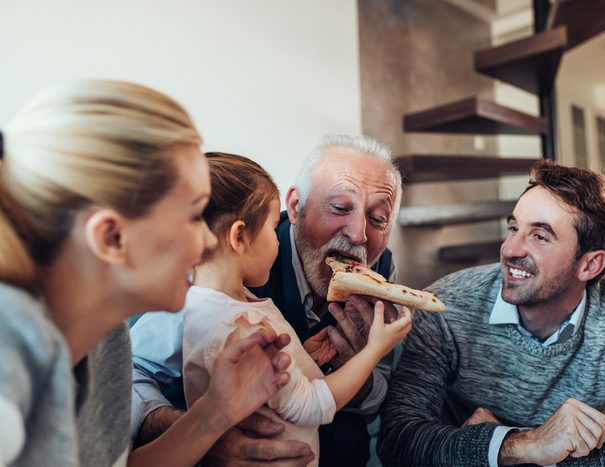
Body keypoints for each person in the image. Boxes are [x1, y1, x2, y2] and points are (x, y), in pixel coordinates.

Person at [0, 80, 293, 467]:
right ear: (111, 236)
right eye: (193, 215)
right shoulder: (10, 344)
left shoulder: (110, 339)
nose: (207, 242)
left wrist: (216, 411)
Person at [378, 160, 605, 466]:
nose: (510, 249)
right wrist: (526, 445)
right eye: (513, 228)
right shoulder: (446, 307)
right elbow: (399, 441)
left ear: (590, 264)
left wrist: (526, 458)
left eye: (540, 236)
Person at [131, 134, 403, 466]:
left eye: (377, 219)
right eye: (339, 207)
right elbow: (131, 370)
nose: (359, 233)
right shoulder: (215, 266)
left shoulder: (381, 269)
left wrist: (354, 371)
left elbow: (385, 393)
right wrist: (194, 434)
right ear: (295, 206)